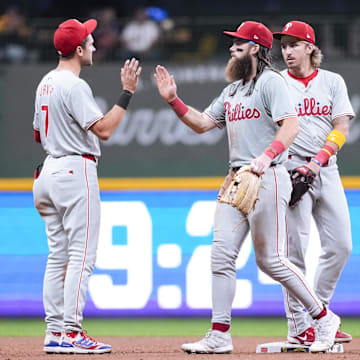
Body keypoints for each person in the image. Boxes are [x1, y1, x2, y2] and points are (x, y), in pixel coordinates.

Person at [154, 21, 341, 354]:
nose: (231, 48)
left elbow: (291, 126)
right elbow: (202, 124)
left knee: (270, 260)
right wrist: (174, 101)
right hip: (237, 179)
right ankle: (219, 333)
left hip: (268, 177)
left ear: (255, 48)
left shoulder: (271, 82)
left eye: (238, 44)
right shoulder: (233, 90)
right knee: (221, 255)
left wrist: (267, 157)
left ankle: (324, 318)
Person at [32, 18, 141, 354]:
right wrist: (127, 93)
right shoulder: (74, 85)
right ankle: (72, 331)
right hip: (75, 170)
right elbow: (104, 129)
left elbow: (38, 134)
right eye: (90, 42)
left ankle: (54, 332)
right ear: (78, 50)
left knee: (57, 256)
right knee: (81, 256)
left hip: (48, 170)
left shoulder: (45, 83)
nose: (94, 46)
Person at [272, 20, 354, 346]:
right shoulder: (275, 82)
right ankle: (299, 328)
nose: (287, 50)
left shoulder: (332, 81)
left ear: (310, 47)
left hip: (325, 168)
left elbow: (341, 127)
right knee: (294, 254)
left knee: (341, 246)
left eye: (293, 44)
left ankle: (320, 316)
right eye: (283, 45)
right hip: (290, 170)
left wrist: (318, 162)